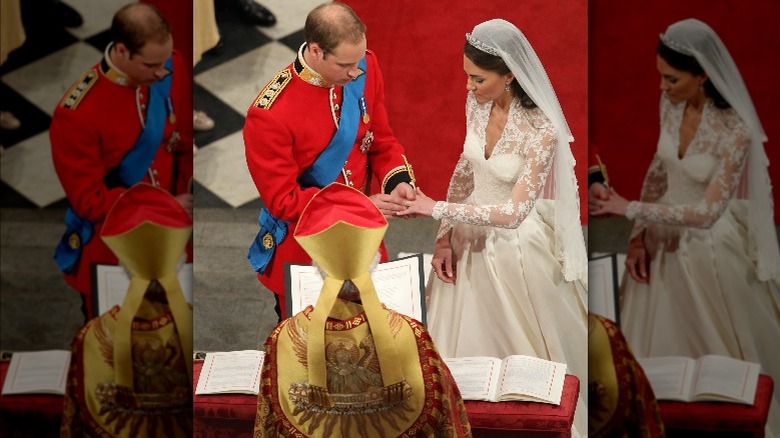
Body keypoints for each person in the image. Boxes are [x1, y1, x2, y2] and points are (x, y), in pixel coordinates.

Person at [397, 18, 588, 436]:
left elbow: (515, 213)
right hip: (466, 239)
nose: (469, 87)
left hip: (514, 252)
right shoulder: (478, 103)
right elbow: (466, 170)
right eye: (467, 76)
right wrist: (444, 233)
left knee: (523, 366)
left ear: (510, 76)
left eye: (478, 79)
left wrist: (434, 208)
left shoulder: (543, 130)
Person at [591, 18, 780, 435]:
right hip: (660, 239)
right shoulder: (672, 104)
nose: (662, 87)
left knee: (720, 357)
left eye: (672, 79)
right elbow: (660, 171)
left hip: (709, 248)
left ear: (703, 75)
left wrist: (627, 208)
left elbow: (708, 213)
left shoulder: (736, 131)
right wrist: (638, 233)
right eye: (660, 77)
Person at [243, 1, 416, 321]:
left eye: (359, 61)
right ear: (316, 51)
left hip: (364, 244)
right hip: (308, 252)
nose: (355, 72)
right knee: (306, 356)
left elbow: (381, 140)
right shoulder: (269, 115)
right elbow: (284, 201)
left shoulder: (364, 68)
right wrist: (362, 206)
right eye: (345, 65)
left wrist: (398, 182)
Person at [254, 183, 471, 436]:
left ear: (317, 266)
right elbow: (444, 409)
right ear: (375, 263)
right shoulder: (409, 333)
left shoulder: (284, 337)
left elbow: (268, 420)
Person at [50, 2, 194, 320]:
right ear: (121, 51)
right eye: (151, 65)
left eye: (165, 62)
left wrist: (186, 198)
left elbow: (182, 145)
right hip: (116, 245)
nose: (161, 73)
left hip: (177, 238)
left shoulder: (171, 65)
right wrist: (166, 208)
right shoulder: (76, 114)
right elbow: (90, 201)